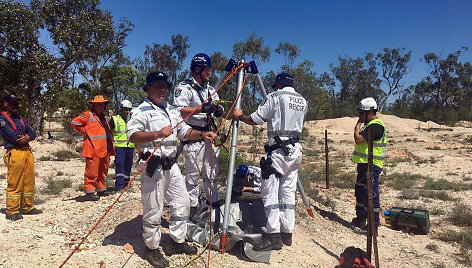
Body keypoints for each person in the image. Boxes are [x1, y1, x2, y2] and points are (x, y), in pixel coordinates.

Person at [127, 71, 217, 268]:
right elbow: (133, 136)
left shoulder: (172, 110)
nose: (162, 89)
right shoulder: (140, 110)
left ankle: (176, 241)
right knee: (153, 208)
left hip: (172, 165)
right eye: (158, 85)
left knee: (182, 202)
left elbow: (184, 131)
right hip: (153, 165)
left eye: (165, 86)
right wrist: (157, 134)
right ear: (148, 88)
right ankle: (152, 248)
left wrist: (203, 134)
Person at [233, 72, 307, 251]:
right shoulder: (302, 100)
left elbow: (255, 119)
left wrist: (240, 116)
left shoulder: (275, 97)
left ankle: (273, 236)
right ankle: (287, 233)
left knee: (270, 193)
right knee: (288, 193)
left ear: (278, 85)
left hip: (278, 151)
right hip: (295, 149)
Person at [173, 53, 224, 216]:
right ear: (197, 69)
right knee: (192, 175)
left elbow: (217, 105)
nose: (210, 72)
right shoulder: (184, 88)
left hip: (209, 133)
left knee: (211, 171)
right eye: (207, 69)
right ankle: (192, 207)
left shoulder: (210, 89)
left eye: (210, 68)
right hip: (193, 135)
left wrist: (218, 110)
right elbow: (178, 111)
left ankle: (213, 202)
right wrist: (202, 109)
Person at [0, 94, 42, 221]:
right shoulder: (2, 119)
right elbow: (13, 137)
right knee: (15, 181)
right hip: (15, 152)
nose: (15, 106)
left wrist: (28, 137)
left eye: (17, 103)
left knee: (28, 180)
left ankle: (27, 206)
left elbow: (33, 133)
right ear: (6, 104)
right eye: (12, 103)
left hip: (26, 151)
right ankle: (11, 210)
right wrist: (25, 137)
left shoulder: (20, 118)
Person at [351, 97, 387, 231]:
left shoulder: (376, 126)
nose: (359, 116)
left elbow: (358, 139)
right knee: (360, 191)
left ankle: (373, 225)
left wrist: (357, 126)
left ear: (370, 112)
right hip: (364, 164)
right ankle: (360, 218)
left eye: (361, 113)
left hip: (372, 165)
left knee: (371, 194)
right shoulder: (370, 125)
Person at [71, 95, 115, 201]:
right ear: (94, 105)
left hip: (104, 148)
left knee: (103, 170)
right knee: (92, 171)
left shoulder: (103, 117)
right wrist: (84, 131)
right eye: (98, 105)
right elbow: (74, 122)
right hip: (93, 149)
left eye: (102, 104)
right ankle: (89, 192)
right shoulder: (88, 115)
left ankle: (101, 189)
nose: (100, 106)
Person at [108, 100, 135, 191]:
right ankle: (119, 186)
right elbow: (108, 131)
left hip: (130, 147)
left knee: (128, 166)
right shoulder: (115, 119)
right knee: (120, 165)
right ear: (121, 109)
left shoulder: (133, 120)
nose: (127, 111)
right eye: (125, 109)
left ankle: (126, 185)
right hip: (119, 147)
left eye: (128, 110)